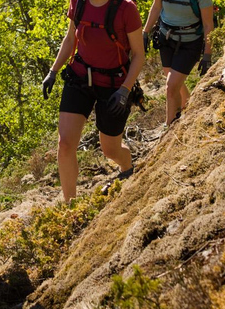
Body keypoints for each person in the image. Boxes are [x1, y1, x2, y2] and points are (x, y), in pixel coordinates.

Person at [42, 0, 145, 203]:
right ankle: (70, 206)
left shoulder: (126, 9)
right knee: (65, 144)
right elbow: (70, 39)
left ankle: (127, 166)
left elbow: (139, 55)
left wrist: (125, 90)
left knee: (110, 150)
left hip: (115, 85)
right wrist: (53, 72)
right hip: (80, 78)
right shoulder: (78, 2)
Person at [142, 0, 214, 125]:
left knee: (171, 87)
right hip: (166, 38)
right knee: (173, 81)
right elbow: (156, 7)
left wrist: (207, 54)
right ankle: (190, 107)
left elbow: (208, 24)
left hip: (190, 43)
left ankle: (169, 127)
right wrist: (145, 32)